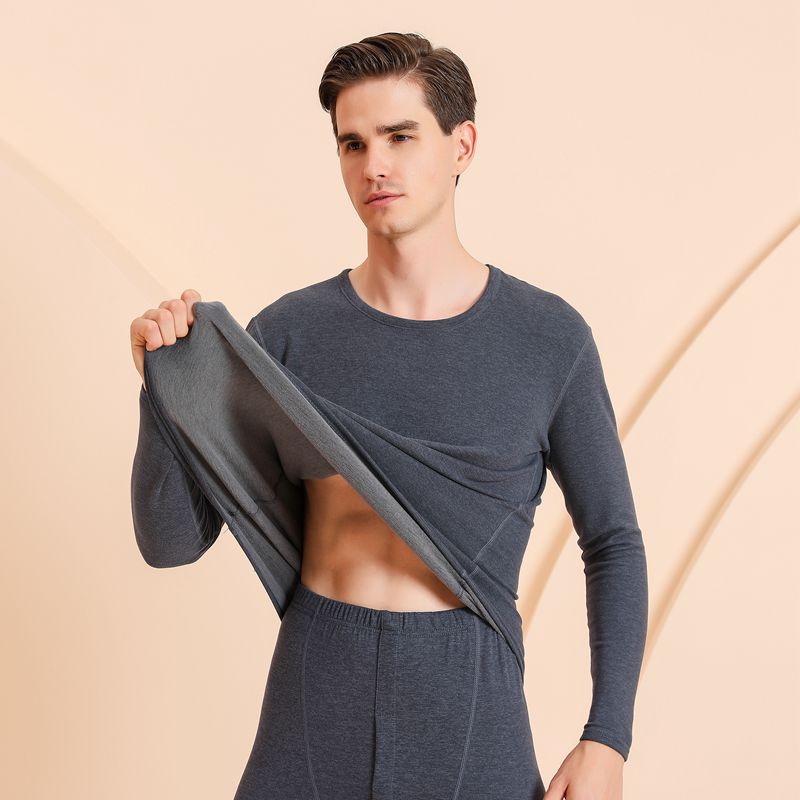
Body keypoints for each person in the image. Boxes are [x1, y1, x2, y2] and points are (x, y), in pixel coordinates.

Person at [129, 32, 647, 800]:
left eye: (400, 137)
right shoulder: (287, 334)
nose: (374, 164)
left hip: (469, 701)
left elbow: (613, 540)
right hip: (315, 689)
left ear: (462, 145)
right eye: (353, 143)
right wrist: (162, 387)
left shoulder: (548, 340)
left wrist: (608, 737)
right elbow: (170, 543)